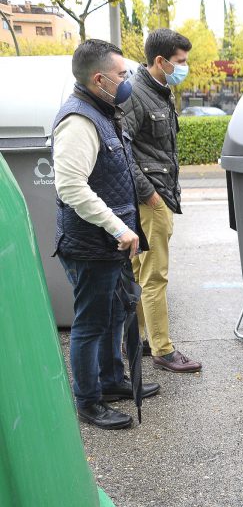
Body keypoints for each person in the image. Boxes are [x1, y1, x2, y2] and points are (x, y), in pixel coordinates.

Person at [53, 39, 160, 430]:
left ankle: (113, 380)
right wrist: (119, 227)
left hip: (112, 242)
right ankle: (88, 400)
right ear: (99, 79)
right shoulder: (79, 121)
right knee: (91, 323)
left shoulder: (104, 111)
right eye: (121, 74)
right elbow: (71, 187)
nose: (127, 78)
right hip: (92, 244)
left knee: (116, 312)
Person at [122, 29, 202, 373]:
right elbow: (121, 150)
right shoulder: (137, 95)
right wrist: (150, 194)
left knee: (141, 273)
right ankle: (163, 350)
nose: (184, 67)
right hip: (150, 200)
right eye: (180, 62)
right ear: (160, 61)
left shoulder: (158, 91)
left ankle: (142, 339)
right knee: (154, 277)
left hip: (155, 195)